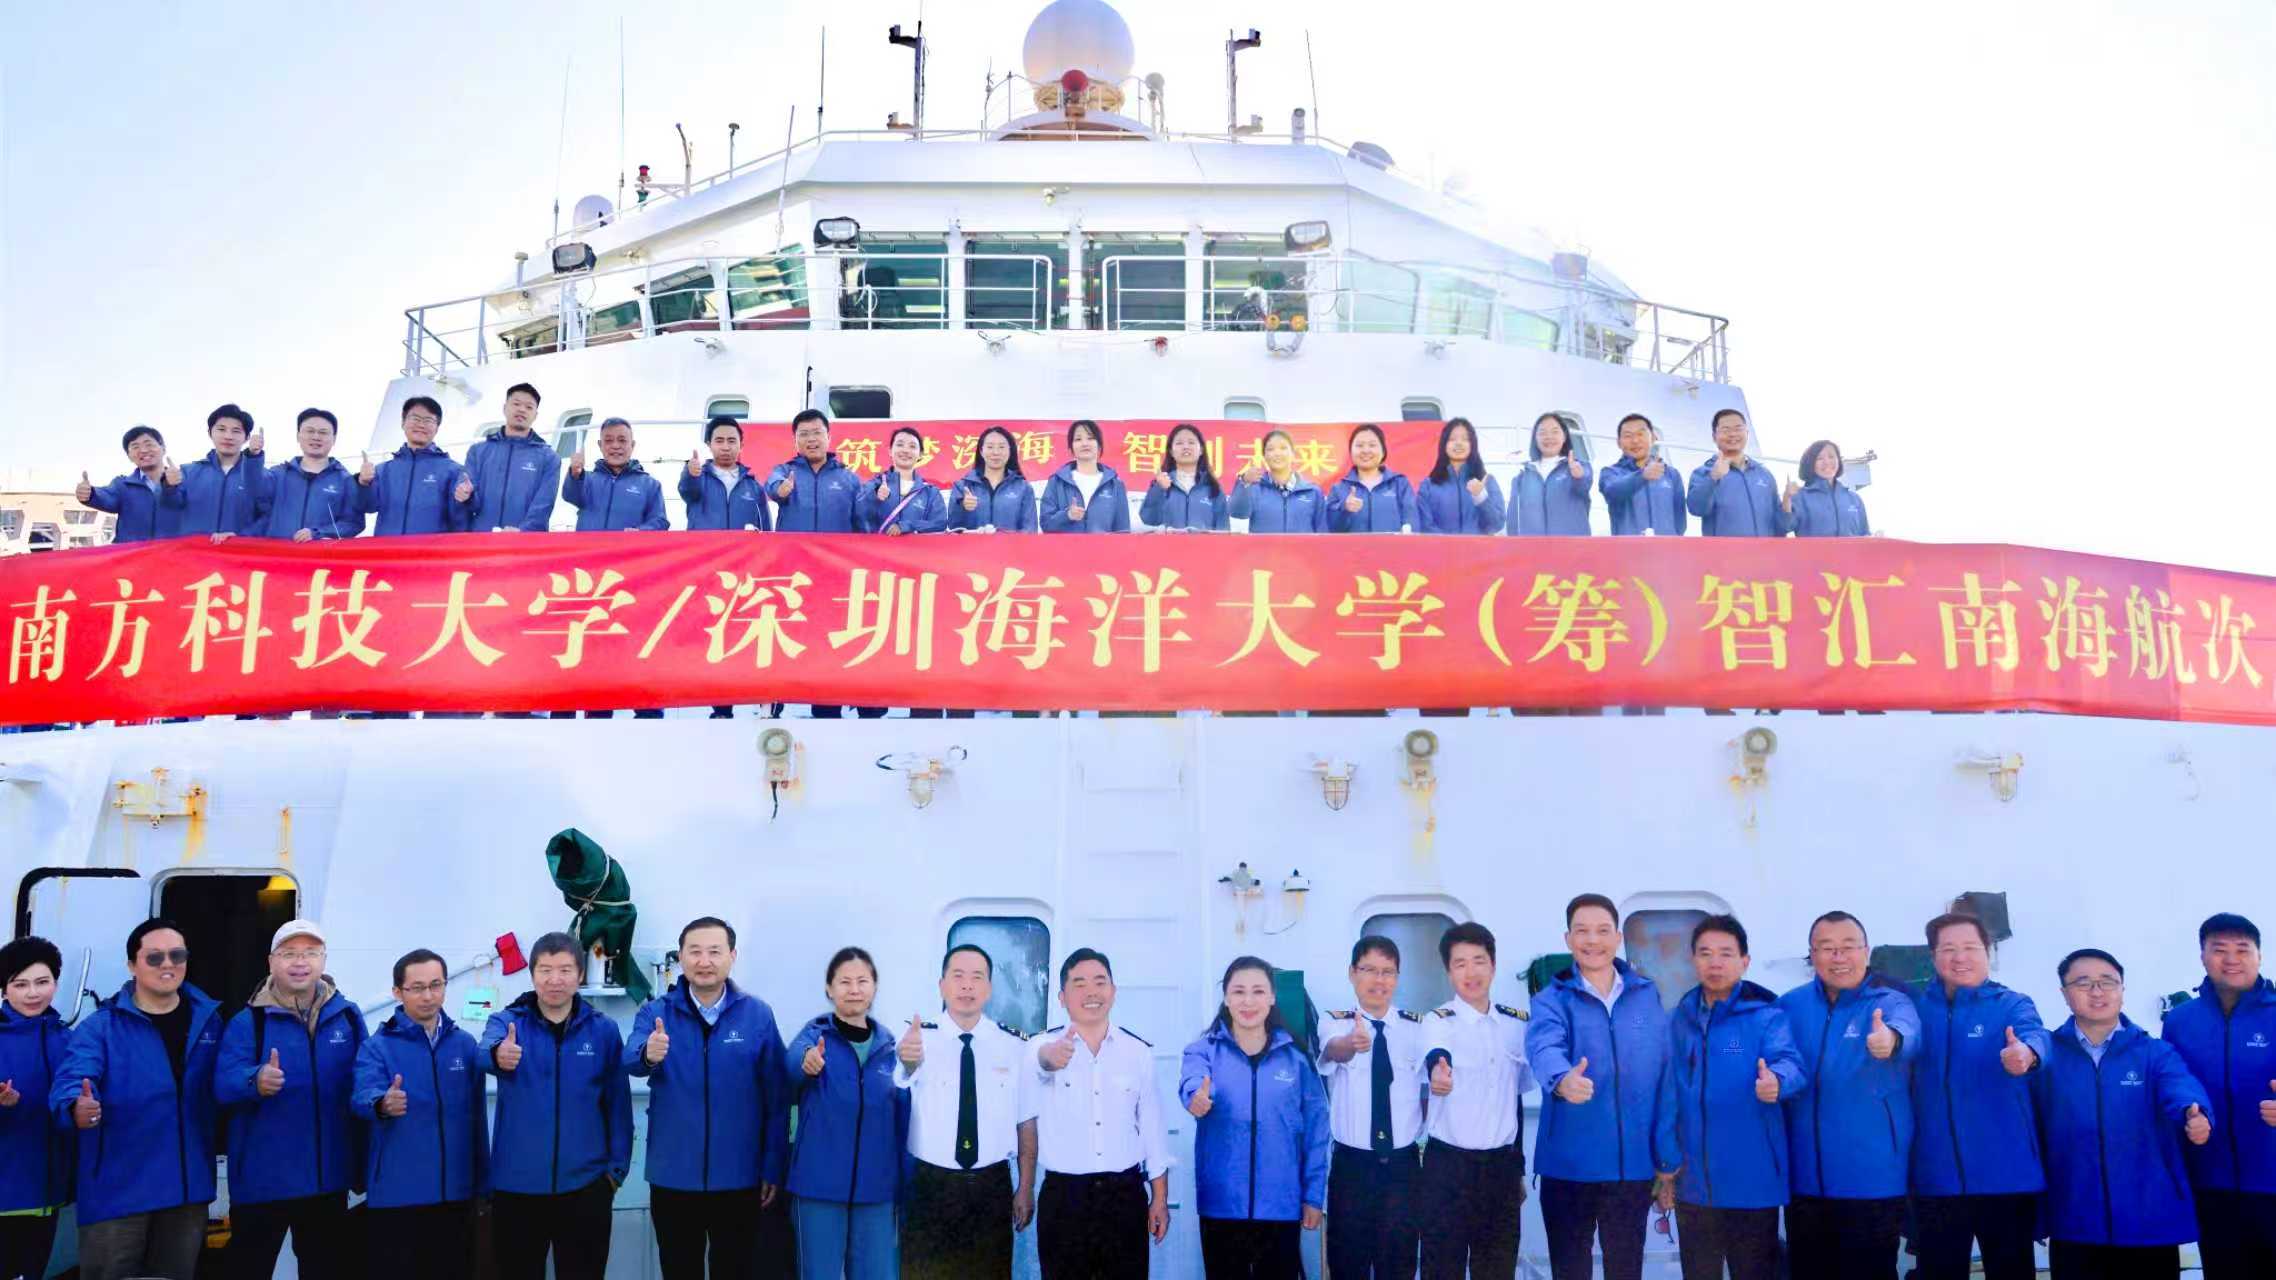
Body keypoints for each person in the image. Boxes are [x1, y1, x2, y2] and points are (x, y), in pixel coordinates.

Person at [50, 918, 221, 1280]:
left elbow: (229, 1079)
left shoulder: (210, 1021)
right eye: (154, 957)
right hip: (118, 1192)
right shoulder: (101, 1027)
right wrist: (75, 1106)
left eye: (177, 955)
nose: (167, 965)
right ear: (132, 965)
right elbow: (73, 1078)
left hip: (186, 1192)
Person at [1525, 894, 1680, 1280]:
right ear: (1568, 939)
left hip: (1630, 1170)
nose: (1592, 940)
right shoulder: (1550, 1001)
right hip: (1569, 1169)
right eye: (1582, 931)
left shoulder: (1646, 996)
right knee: (1570, 1271)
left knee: (1625, 1270)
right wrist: (1562, 1079)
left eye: (1602, 931)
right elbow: (1543, 1047)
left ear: (1618, 938)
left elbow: (1664, 1077)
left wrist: (1666, 1161)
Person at [629, 917, 789, 1280]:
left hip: (740, 1177)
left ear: (732, 956)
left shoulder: (757, 1015)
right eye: (695, 952)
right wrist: (648, 1054)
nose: (704, 961)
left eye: (715, 952)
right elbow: (630, 1059)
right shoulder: (656, 1013)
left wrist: (772, 1166)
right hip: (673, 1177)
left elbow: (777, 1097)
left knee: (734, 1270)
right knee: (678, 1270)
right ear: (681, 957)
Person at [2038, 948, 2211, 1280]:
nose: (2097, 992)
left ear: (2122, 989)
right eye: (2083, 983)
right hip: (2075, 1216)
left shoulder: (2153, 1052)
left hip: (2148, 1218)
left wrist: (2196, 1113)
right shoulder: (2047, 1055)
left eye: (2108, 982)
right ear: (2064, 993)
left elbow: (2180, 1086)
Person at [214, 919, 366, 1280]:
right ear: (271, 962)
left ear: (323, 960)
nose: (300, 962)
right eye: (289, 954)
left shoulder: (347, 1017)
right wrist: (254, 1080)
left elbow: (366, 1078)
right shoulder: (248, 1022)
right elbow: (221, 1084)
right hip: (262, 1182)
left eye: (310, 953)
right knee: (248, 1270)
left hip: (326, 1181)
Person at [1775, 910, 1920, 1280]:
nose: (1838, 957)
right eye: (1827, 948)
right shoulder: (1790, 1006)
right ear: (1812, 955)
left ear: (1866, 952)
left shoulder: (1891, 1002)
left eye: (1848, 946)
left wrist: (1891, 1040)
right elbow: (1777, 1059)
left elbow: (1908, 1031)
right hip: (1806, 1181)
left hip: (1873, 1181)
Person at [480, 931, 633, 1280]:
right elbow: (482, 1052)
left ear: (580, 975)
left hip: (586, 1188)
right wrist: (498, 1054)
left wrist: (614, 1174)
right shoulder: (506, 1023)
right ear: (532, 974)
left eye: (565, 970)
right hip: (515, 1190)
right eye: (545, 970)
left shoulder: (603, 1030)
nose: (555, 980)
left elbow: (618, 1106)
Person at [1910, 911, 2052, 1280]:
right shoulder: (1915, 1009)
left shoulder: (2011, 1004)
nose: (1960, 957)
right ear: (1933, 956)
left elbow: (2036, 1036)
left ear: (1987, 951)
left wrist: (2027, 1054)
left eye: (1970, 947)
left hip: (2006, 1176)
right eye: (1948, 949)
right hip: (1936, 1176)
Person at [1667, 914, 1805, 1280]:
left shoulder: (1767, 1015)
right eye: (1705, 953)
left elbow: (1792, 1064)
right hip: (1694, 1185)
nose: (1715, 963)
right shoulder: (1678, 1019)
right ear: (1693, 960)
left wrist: (1777, 1081)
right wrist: (1665, 1166)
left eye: (1726, 953)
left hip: (1753, 1182)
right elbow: (1667, 1096)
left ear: (1745, 961)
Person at [895, 943, 1040, 1279]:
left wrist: (1026, 1187)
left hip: (990, 1186)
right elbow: (902, 1077)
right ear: (942, 985)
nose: (967, 986)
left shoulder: (1014, 1047)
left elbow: (1026, 1123)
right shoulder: (917, 1040)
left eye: (977, 977)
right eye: (958, 976)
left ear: (989, 988)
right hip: (929, 1186)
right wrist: (909, 1061)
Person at [1180, 956, 1329, 1278]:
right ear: (1226, 998)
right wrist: (1196, 1098)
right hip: (1221, 1206)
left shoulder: (1297, 1060)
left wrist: (1313, 1196)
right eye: (1239, 991)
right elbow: (1192, 1082)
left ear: (1272, 997)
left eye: (1258, 991)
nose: (1248, 1001)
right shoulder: (1203, 1051)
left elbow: (1317, 1132)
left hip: (1282, 1206)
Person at [1031, 948, 1172, 1279]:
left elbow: (1152, 1130)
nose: (1091, 992)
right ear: (1062, 997)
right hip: (1065, 1198)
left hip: (1124, 1195)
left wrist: (1160, 1198)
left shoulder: (1138, 1052)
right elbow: (1040, 1063)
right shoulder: (1040, 1046)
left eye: (1099, 982)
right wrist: (1051, 1058)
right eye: (1079, 984)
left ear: (1113, 991)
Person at [354, 948, 489, 1280]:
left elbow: (477, 1122)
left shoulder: (464, 1045)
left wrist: (483, 1185)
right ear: (397, 992)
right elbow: (361, 1095)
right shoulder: (376, 1047)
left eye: (436, 985)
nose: (428, 996)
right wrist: (382, 1103)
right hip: (398, 1197)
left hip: (456, 1195)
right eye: (416, 988)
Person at [2159, 912, 2276, 1278]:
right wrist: (2187, 1116)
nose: (2231, 959)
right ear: (2203, 956)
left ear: (2259, 955)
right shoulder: (2180, 1021)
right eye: (2219, 949)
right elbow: (2171, 1083)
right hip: (2211, 1180)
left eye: (2242, 949)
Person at [1417, 921, 1535, 1280]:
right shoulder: (1438, 1021)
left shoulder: (1517, 1025)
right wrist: (1438, 1073)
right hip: (1448, 1168)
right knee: (1442, 1268)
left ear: (1493, 966)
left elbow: (1515, 1098)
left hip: (1501, 1169)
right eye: (1460, 963)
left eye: (1479, 961)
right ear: (1449, 972)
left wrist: (1517, 1168)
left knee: (1497, 1268)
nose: (1471, 973)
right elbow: (1436, 1054)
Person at [784, 946, 909, 1280]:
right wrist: (807, 1063)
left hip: (877, 1192)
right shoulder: (814, 1037)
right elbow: (790, 1066)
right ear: (829, 989)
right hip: (818, 1190)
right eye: (844, 982)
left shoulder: (891, 1048)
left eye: (862, 981)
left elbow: (904, 1119)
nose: (854, 989)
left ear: (875, 987)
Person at [1314, 937, 1428, 1278]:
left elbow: (1428, 1089)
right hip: (1353, 1167)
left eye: (1388, 972)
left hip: (1403, 1166)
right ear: (1352, 973)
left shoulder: (1417, 1027)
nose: (1379, 980)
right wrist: (1352, 1043)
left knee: (1399, 1265)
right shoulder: (1334, 1021)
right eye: (1369, 970)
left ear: (1397, 977)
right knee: (1348, 1265)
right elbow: (1333, 1050)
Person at [0, 936, 70, 1280]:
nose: (33, 993)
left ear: (55, 982)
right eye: (20, 984)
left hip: (47, 1196)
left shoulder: (68, 1039)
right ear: (4, 990)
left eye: (42, 982)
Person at [358, 396, 476, 535]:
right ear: (403, 423)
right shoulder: (383, 470)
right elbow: (369, 506)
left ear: (437, 428)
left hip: (430, 548)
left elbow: (460, 522)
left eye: (428, 420)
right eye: (415, 418)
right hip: (388, 548)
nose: (421, 425)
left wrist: (465, 499)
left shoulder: (453, 471)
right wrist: (363, 483)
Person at [465, 382, 562, 532]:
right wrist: (467, 495)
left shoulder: (549, 458)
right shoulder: (478, 451)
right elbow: (469, 500)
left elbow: (544, 505)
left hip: (524, 542)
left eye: (529, 407)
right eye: (516, 404)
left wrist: (523, 532)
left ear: (535, 415)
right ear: (505, 408)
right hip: (481, 539)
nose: (522, 409)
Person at [254, 409, 364, 541]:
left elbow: (353, 523)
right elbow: (253, 491)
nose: (316, 437)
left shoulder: (345, 480)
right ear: (298, 436)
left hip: (320, 553)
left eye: (323, 432)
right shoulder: (278, 475)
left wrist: (319, 533)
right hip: (279, 552)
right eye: (310, 431)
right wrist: (253, 457)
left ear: (334, 439)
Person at [75, 425, 185, 543]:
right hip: (133, 553)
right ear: (129, 456)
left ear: (163, 449)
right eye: (135, 447)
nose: (143, 450)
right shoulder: (122, 485)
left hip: (173, 552)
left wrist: (171, 486)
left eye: (149, 444)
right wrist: (90, 494)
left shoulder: (186, 481)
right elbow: (106, 497)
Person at [175, 403, 267, 542]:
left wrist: (241, 537)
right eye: (221, 429)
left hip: (237, 552)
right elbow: (169, 506)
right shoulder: (188, 472)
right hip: (194, 552)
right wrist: (168, 486)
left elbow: (267, 516)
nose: (228, 436)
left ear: (247, 437)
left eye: (236, 431)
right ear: (210, 433)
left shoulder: (261, 476)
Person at [1685, 408, 1780, 536]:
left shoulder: (1764, 474)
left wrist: (1787, 508)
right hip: (1723, 549)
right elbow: (1696, 509)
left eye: (1738, 428)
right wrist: (1713, 478)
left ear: (1747, 433)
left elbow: (1779, 524)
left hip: (1764, 548)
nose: (1733, 434)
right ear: (1714, 437)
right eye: (1726, 430)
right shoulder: (1703, 473)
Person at [768, 409, 867, 532]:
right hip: (793, 545)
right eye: (804, 434)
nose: (811, 439)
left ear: (828, 437)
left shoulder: (849, 478)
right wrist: (779, 490)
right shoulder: (785, 472)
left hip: (835, 545)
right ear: (795, 441)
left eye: (817, 432)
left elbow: (863, 522)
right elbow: (772, 486)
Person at [562, 418, 668, 531]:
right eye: (608, 441)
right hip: (588, 543)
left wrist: (641, 532)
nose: (616, 446)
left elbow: (659, 521)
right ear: (600, 445)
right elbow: (570, 495)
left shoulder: (650, 485)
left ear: (632, 445)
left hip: (628, 544)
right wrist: (575, 473)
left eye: (622, 440)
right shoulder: (586, 480)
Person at [1598, 414, 1686, 536]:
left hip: (1666, 547)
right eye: (1628, 436)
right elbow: (1612, 492)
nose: (1635, 441)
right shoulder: (1610, 473)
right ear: (1618, 442)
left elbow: (1680, 522)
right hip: (1627, 547)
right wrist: (1642, 476)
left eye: (1640, 434)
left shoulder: (1671, 474)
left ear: (1653, 438)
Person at [1413, 417, 1504, 534]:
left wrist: (1480, 497)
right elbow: (1425, 526)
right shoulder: (1428, 485)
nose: (1459, 443)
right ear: (1444, 445)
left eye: (1465, 439)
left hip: (1477, 546)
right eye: (1452, 439)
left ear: (1472, 445)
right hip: (1440, 546)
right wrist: (1452, 544)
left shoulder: (1487, 481)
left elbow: (1496, 525)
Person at [1508, 413, 1593, 535]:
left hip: (1571, 546)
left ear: (1564, 437)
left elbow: (1584, 485)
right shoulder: (1522, 475)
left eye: (1555, 432)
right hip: (1532, 546)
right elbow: (1513, 517)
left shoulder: (1579, 466)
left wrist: (1579, 477)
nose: (1549, 437)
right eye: (1542, 433)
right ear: (1535, 439)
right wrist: (1512, 543)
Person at [681, 415, 770, 531]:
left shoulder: (754, 487)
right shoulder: (697, 478)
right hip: (704, 544)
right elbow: (687, 490)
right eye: (719, 441)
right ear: (709, 445)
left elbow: (765, 529)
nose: (726, 447)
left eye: (731, 441)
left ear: (741, 446)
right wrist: (690, 475)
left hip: (742, 544)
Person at [1322, 423, 1416, 534]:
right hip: (1354, 546)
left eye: (1372, 445)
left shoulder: (1399, 484)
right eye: (1359, 445)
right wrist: (1344, 509)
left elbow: (1412, 522)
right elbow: (1330, 530)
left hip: (1393, 546)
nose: (1366, 450)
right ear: (1351, 451)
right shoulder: (1339, 488)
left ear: (1383, 451)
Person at [1229, 430, 1329, 533]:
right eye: (1271, 449)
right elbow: (1237, 513)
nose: (1277, 453)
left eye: (1283, 448)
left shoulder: (1312, 492)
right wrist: (1244, 482)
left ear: (1293, 454)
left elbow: (1322, 532)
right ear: (1264, 456)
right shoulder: (1255, 488)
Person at [1040, 420, 1131, 532]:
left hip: (1103, 544)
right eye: (1078, 439)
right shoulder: (1056, 482)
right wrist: (1067, 515)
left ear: (1099, 446)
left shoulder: (1115, 484)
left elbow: (1122, 531)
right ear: (1070, 449)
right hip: (1066, 544)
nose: (1085, 443)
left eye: (1090, 438)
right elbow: (1045, 524)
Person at [1140, 423, 1232, 532]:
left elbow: (1223, 531)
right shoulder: (1161, 484)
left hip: (1204, 544)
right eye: (1179, 443)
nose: (1186, 447)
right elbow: (1149, 519)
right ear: (1171, 452)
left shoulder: (1213, 487)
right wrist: (1159, 489)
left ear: (1201, 450)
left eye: (1191, 442)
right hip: (1169, 543)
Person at [858, 426, 948, 535]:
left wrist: (909, 526)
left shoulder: (930, 493)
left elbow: (939, 524)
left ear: (920, 454)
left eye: (912, 446)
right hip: (877, 546)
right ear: (890, 451)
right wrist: (873, 497)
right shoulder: (874, 484)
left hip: (915, 546)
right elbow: (858, 516)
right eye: (900, 445)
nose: (905, 450)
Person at [948, 426, 1039, 532]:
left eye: (1001, 447)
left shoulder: (1023, 488)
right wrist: (962, 507)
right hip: (972, 543)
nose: (996, 452)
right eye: (990, 447)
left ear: (1010, 451)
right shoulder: (962, 486)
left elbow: (1030, 530)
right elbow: (953, 527)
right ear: (981, 451)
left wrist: (1001, 537)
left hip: (1010, 543)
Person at [1779, 439, 1871, 537]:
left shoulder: (1854, 499)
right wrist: (1787, 498)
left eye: (1831, 456)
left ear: (1838, 461)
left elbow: (1865, 535)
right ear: (1811, 464)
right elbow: (1784, 526)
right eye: (1819, 458)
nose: (1827, 462)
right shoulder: (1800, 497)